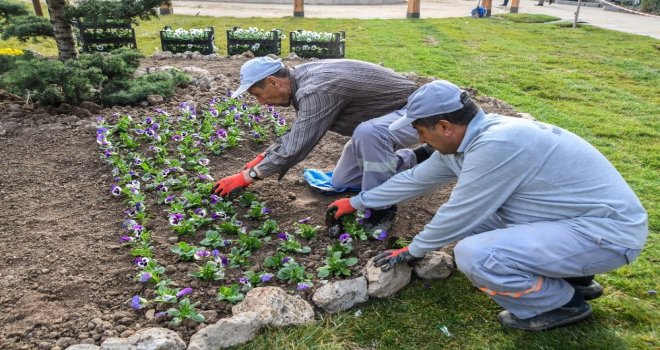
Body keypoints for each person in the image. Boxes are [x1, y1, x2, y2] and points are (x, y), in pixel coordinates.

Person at [327, 80, 648, 331]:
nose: (420, 140)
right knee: (480, 228)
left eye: (420, 130)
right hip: (579, 223)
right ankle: (575, 278)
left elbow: (460, 210)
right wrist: (356, 202)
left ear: (444, 126)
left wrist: (413, 251)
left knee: (475, 254)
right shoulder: (472, 140)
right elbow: (414, 179)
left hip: (607, 235)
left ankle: (559, 304)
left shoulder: (496, 145)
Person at [212, 57, 434, 234]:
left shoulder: (315, 90)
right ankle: (421, 156)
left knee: (368, 133)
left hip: (418, 114)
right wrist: (264, 157)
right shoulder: (301, 76)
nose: (260, 102)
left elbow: (297, 147)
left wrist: (247, 176)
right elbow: (298, 131)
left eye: (257, 94)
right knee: (342, 180)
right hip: (386, 118)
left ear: (273, 82)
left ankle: (381, 208)